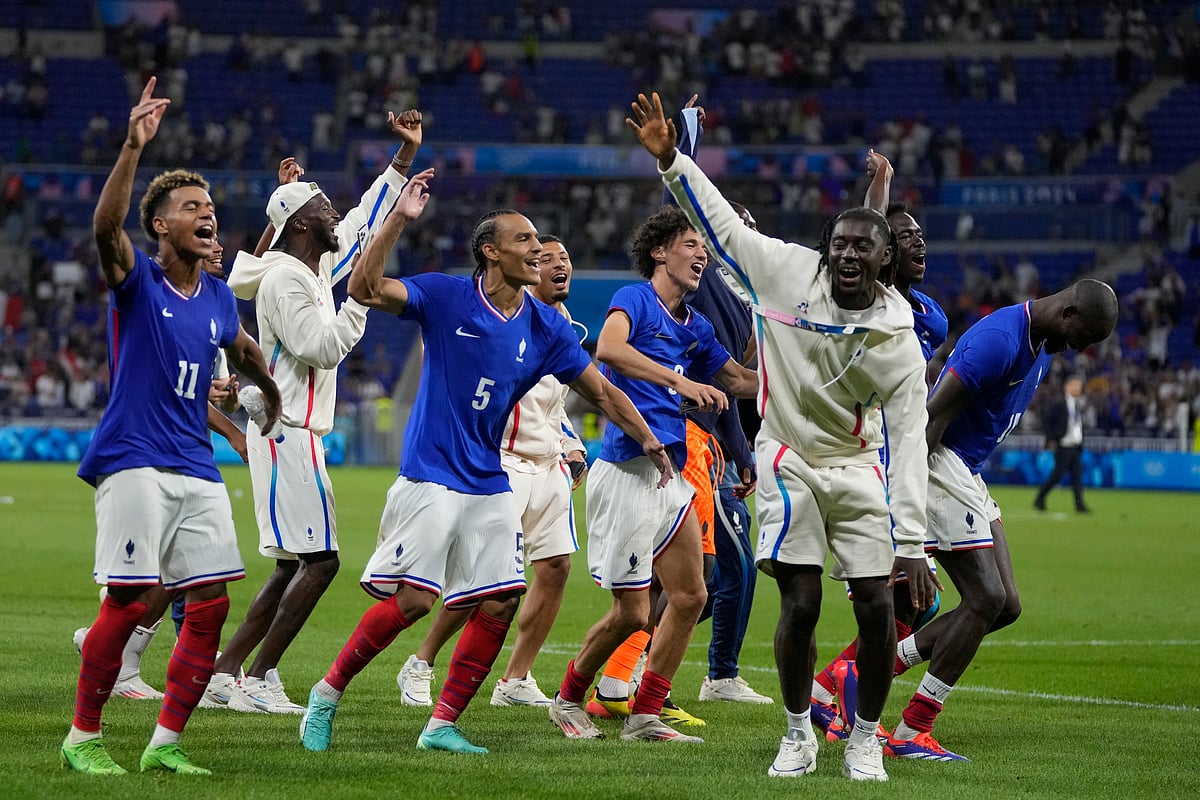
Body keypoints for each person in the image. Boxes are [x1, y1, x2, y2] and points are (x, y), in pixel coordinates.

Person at [300, 172, 674, 756]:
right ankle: (326, 695)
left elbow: (600, 392)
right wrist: (398, 219)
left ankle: (442, 724)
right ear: (490, 251)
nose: (539, 250)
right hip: (431, 473)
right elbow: (365, 287)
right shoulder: (447, 295)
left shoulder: (545, 325)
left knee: (499, 599)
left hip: (488, 478)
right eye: (524, 240)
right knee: (416, 601)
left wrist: (648, 439)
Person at [629, 91, 938, 781]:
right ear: (826, 249)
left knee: (878, 606)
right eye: (840, 244)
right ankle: (797, 731)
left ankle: (863, 735)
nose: (848, 254)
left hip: (857, 467)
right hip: (788, 457)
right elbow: (725, 229)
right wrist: (673, 161)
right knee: (799, 600)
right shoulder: (791, 273)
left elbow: (910, 440)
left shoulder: (898, 340)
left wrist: (913, 545)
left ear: (885, 257)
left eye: (864, 246)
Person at [61, 77, 281, 777]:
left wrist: (267, 395)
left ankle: (165, 744)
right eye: (191, 207)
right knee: (128, 601)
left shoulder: (216, 297)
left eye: (210, 206)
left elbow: (243, 350)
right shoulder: (138, 282)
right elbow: (104, 229)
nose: (206, 214)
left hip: (195, 465)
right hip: (134, 458)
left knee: (210, 604)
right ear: (161, 225)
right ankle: (83, 737)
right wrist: (133, 146)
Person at [204, 110, 424, 714]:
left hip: (294, 433)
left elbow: (361, 223)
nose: (336, 215)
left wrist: (402, 161)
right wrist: (359, 304)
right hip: (285, 431)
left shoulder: (307, 266)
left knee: (290, 567)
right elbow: (320, 346)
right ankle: (258, 676)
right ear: (302, 225)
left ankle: (229, 674)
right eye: (324, 210)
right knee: (321, 562)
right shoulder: (285, 282)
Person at [547, 204, 759, 744]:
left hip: (669, 477)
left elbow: (738, 379)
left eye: (703, 248)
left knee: (690, 596)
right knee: (631, 613)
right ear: (660, 251)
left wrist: (809, 372)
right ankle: (568, 698)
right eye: (691, 244)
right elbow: (611, 351)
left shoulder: (699, 326)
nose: (701, 254)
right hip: (625, 472)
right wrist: (684, 385)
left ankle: (645, 713)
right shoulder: (633, 300)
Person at [886, 281, 1117, 761]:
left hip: (966, 470)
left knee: (1006, 604)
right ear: (1069, 312)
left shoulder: (1042, 339)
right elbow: (931, 418)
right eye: (1084, 336)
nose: (1081, 348)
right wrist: (900, 516)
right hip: (940, 461)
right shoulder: (1001, 339)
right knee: (985, 596)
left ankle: (876, 666)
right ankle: (912, 731)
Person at [396, 232, 590, 708]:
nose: (560, 265)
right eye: (547, 258)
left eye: (566, 258)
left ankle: (515, 680)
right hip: (501, 464)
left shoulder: (563, 327)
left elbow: (553, 407)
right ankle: (420, 663)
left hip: (548, 468)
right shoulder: (500, 324)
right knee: (480, 585)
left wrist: (570, 443)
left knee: (557, 568)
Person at [71, 237, 247, 700]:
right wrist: (232, 431)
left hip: (187, 456)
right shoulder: (151, 294)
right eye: (211, 248)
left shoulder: (211, 306)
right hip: (146, 451)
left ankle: (136, 669)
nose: (217, 254)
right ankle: (116, 668)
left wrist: (219, 392)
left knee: (189, 580)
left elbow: (195, 387)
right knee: (152, 580)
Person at [810, 194, 951, 737]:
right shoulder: (862, 306)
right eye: (905, 236)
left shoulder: (929, 317)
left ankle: (833, 687)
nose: (919, 242)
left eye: (920, 234)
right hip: (864, 466)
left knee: (920, 600)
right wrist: (877, 194)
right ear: (885, 255)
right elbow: (853, 244)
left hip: (909, 465)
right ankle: (832, 692)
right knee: (901, 599)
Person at [1033, 375, 1089, 512]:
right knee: (1056, 476)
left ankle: (1079, 504)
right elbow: (1046, 420)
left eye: (1079, 386)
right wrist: (1052, 438)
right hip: (1063, 446)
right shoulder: (1059, 403)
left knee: (1077, 476)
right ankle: (1040, 498)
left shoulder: (1077, 404)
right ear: (1067, 386)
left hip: (1075, 447)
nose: (1078, 388)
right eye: (1075, 385)